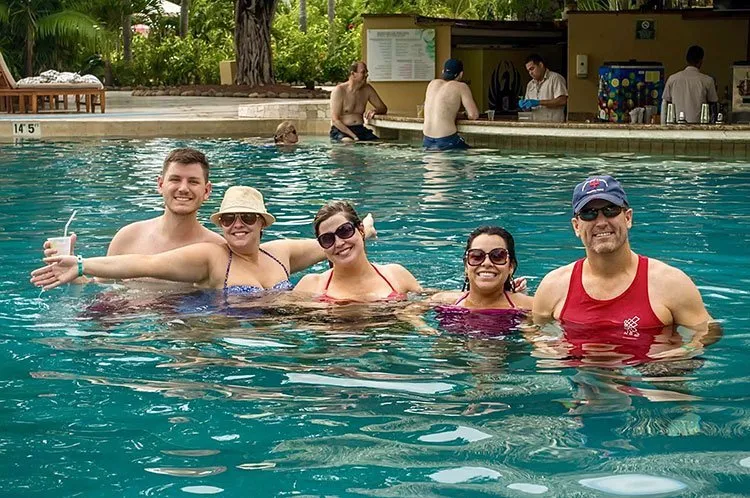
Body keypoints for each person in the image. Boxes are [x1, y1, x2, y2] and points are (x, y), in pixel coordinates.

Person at [32, 187, 374, 294]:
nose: (238, 225)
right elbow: (146, 264)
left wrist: (362, 230)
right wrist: (81, 264)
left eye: (247, 218)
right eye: (228, 218)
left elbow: (332, 244)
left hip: (281, 340)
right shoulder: (212, 257)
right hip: (229, 347)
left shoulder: (280, 253)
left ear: (262, 224)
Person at [532, 175, 717, 362]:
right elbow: (533, 329)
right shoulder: (553, 285)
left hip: (653, 372)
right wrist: (549, 351)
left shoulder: (670, 283)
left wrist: (680, 353)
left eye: (610, 210)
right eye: (589, 213)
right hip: (581, 371)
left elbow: (708, 330)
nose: (601, 221)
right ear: (577, 226)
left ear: (628, 217)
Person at [44, 148, 225, 264]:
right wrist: (72, 268)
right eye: (175, 179)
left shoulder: (218, 248)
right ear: (160, 185)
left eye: (193, 182)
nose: (183, 188)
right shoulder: (129, 237)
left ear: (207, 191)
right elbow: (101, 286)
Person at [293, 201, 421, 302]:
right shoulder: (311, 286)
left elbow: (426, 303)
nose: (339, 243)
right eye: (327, 239)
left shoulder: (395, 275)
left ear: (361, 229)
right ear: (322, 246)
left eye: (344, 231)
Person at [431, 226, 533, 335]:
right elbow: (412, 311)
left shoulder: (529, 306)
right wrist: (422, 327)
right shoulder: (443, 301)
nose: (486, 263)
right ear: (466, 266)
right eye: (477, 256)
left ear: (511, 267)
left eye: (498, 256)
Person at [422, 58, 479, 151]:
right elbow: (473, 115)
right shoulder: (461, 87)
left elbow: (434, 109)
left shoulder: (432, 84)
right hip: (447, 140)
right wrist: (463, 114)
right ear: (461, 74)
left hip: (427, 140)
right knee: (476, 157)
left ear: (443, 71)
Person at [329, 61, 387, 142]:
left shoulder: (367, 89)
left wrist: (375, 110)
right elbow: (335, 120)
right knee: (349, 142)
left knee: (379, 145)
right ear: (353, 74)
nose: (366, 74)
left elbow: (383, 108)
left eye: (367, 72)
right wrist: (354, 136)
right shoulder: (339, 90)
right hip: (342, 131)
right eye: (363, 72)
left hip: (360, 129)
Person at [663, 45, 718, 124]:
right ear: (701, 61)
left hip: (675, 126)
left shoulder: (672, 79)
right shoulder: (707, 80)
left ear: (687, 60)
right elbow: (713, 105)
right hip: (700, 127)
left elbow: (665, 104)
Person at [519, 54, 568, 122]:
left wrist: (539, 102)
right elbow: (529, 109)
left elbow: (562, 100)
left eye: (532, 69)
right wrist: (524, 106)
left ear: (541, 65)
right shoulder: (530, 84)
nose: (530, 73)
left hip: (554, 126)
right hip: (536, 126)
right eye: (528, 71)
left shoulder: (555, 78)